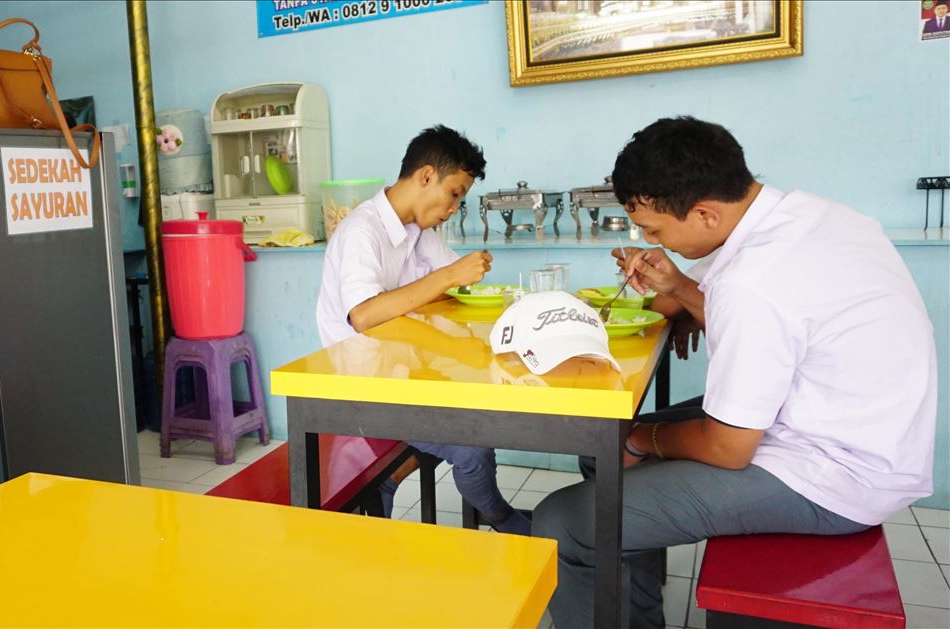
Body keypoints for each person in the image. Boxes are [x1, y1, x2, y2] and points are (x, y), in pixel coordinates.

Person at [532, 116, 937, 628]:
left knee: (564, 518)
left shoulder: (753, 281)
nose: (650, 240)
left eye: (655, 229)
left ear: (705, 212)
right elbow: (731, 311)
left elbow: (728, 447)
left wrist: (641, 439)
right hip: (845, 428)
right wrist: (680, 288)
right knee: (605, 446)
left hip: (835, 473)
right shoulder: (803, 218)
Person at [316, 124, 532, 535]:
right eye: (454, 194)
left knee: (483, 405)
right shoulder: (363, 230)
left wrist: (463, 284)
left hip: (406, 375)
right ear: (427, 176)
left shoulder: (417, 231)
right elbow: (363, 315)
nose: (454, 208)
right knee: (473, 446)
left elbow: (452, 289)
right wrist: (449, 276)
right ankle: (504, 520)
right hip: (363, 387)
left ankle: (390, 481)